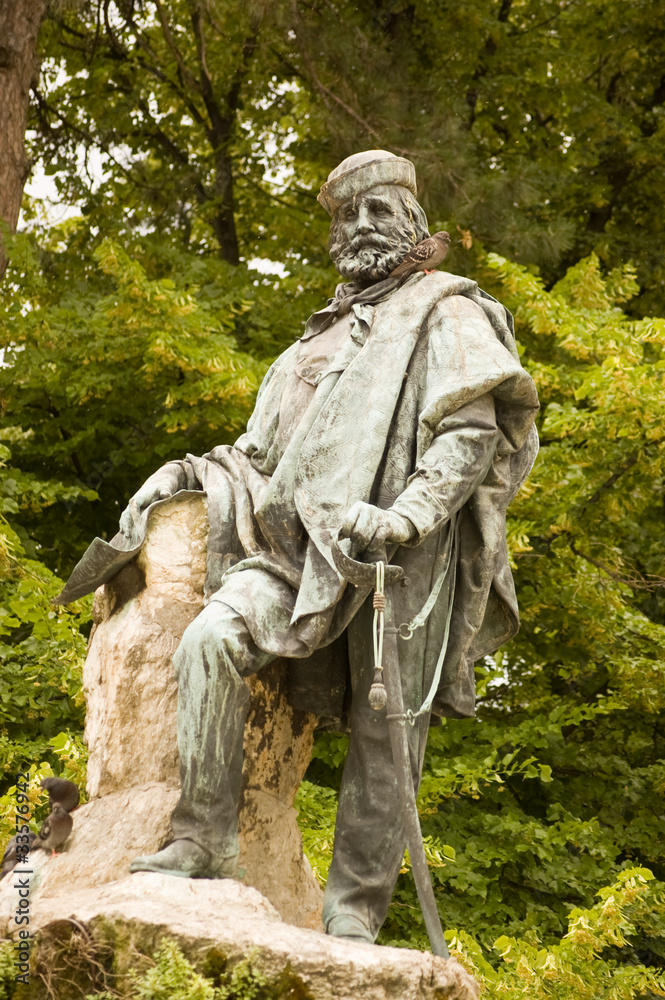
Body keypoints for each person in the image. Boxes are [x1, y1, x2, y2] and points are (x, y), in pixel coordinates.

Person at [58, 149, 539, 944]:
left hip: (398, 554)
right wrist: (183, 472)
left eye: (376, 211)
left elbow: (469, 434)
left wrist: (409, 517)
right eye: (345, 217)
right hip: (291, 548)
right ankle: (202, 838)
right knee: (209, 639)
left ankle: (351, 916)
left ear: (412, 221)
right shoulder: (303, 349)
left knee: (388, 734)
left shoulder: (444, 311)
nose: (358, 227)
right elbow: (256, 459)